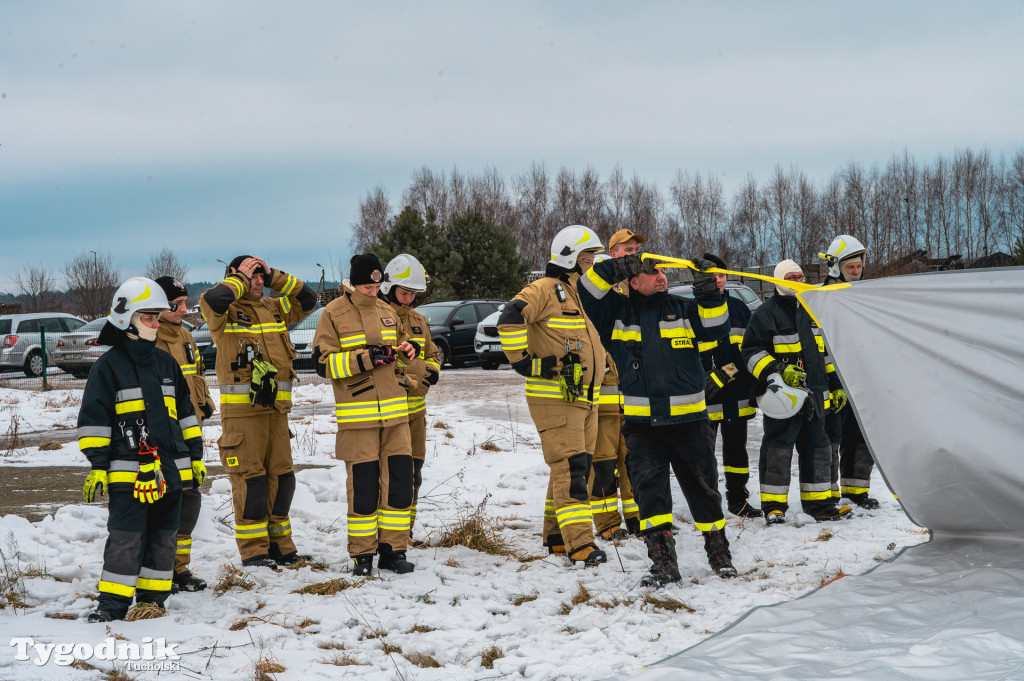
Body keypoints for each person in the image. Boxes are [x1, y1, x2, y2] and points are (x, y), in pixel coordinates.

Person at [579, 252, 738, 585]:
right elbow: (587, 289)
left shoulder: (681, 310)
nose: (661, 276)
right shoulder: (616, 314)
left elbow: (716, 327)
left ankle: (719, 554)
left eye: (662, 271)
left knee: (704, 491)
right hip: (642, 428)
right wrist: (615, 267)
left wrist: (710, 293)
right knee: (650, 494)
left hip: (690, 423)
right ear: (633, 281)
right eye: (652, 272)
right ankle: (664, 563)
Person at [78, 277, 203, 622]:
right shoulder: (108, 368)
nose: (156, 323)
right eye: (149, 317)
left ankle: (152, 601)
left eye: (157, 317)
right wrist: (98, 466)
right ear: (126, 318)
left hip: (170, 475)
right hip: (128, 476)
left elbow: (186, 416)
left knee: (164, 541)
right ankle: (112, 606)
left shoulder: (167, 364)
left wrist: (195, 458)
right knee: (126, 540)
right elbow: (93, 423)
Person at [498, 225, 608, 568]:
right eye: (588, 258)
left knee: (575, 467)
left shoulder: (575, 294)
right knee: (572, 468)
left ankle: (557, 536)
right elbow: (510, 317)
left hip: (583, 398)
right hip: (556, 399)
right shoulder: (544, 289)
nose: (593, 264)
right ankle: (581, 544)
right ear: (571, 258)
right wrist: (525, 364)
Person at [200, 255, 317, 568]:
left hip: (277, 413)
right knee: (251, 482)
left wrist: (274, 274)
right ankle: (254, 552)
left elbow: (308, 299)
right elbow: (215, 298)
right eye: (253, 277)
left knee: (282, 480)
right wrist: (240, 276)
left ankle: (281, 547)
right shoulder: (222, 310)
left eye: (260, 277)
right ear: (235, 277)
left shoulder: (272, 308)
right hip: (243, 416)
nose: (258, 282)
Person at [313, 254, 419, 576]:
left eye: (376, 286)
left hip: (396, 416)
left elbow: (403, 346)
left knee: (400, 484)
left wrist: (408, 350)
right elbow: (323, 364)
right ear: (353, 283)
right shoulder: (333, 313)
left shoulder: (388, 311)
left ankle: (394, 551)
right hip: (359, 419)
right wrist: (366, 357)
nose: (373, 292)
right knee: (364, 488)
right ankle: (363, 556)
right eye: (366, 286)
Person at [742, 259, 853, 526]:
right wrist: (777, 369)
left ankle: (820, 504)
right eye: (791, 277)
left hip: (815, 395)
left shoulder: (813, 309)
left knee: (819, 449)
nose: (798, 281)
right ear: (779, 281)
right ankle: (774, 506)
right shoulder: (766, 313)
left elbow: (825, 353)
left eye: (801, 277)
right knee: (778, 450)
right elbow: (750, 351)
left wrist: (836, 386)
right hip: (784, 397)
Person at [154, 276, 213, 593]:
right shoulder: (150, 341)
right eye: (177, 304)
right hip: (161, 441)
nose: (184, 308)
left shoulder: (186, 337)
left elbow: (197, 377)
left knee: (189, 503)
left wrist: (205, 404)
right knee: (164, 503)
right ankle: (158, 569)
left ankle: (180, 569)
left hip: (190, 435)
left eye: (184, 302)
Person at [379, 254, 441, 544]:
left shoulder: (418, 319)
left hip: (416, 414)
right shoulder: (378, 316)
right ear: (389, 288)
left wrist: (431, 373)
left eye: (414, 294)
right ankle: (389, 533)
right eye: (404, 293)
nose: (409, 299)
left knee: (414, 474)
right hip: (390, 414)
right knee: (393, 476)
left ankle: (407, 529)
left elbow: (433, 354)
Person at [695, 254, 762, 518]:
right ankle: (706, 502)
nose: (718, 281)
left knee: (737, 452)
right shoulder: (693, 309)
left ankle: (738, 499)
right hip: (706, 392)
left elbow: (748, 348)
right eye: (712, 277)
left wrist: (733, 373)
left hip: (737, 391)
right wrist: (706, 377)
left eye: (721, 275)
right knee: (703, 453)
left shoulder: (738, 308)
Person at [579, 253, 639, 539]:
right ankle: (608, 525)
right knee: (602, 467)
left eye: (616, 286)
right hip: (601, 411)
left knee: (633, 465)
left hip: (630, 409)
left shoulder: (624, 316)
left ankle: (638, 517)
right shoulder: (589, 318)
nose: (613, 290)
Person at [820, 235, 879, 509]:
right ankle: (829, 493)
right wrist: (833, 381)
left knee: (860, 438)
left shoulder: (864, 295)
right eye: (850, 268)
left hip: (861, 379)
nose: (856, 272)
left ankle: (857, 491)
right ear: (836, 268)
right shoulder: (822, 298)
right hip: (834, 381)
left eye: (858, 267)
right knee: (831, 439)